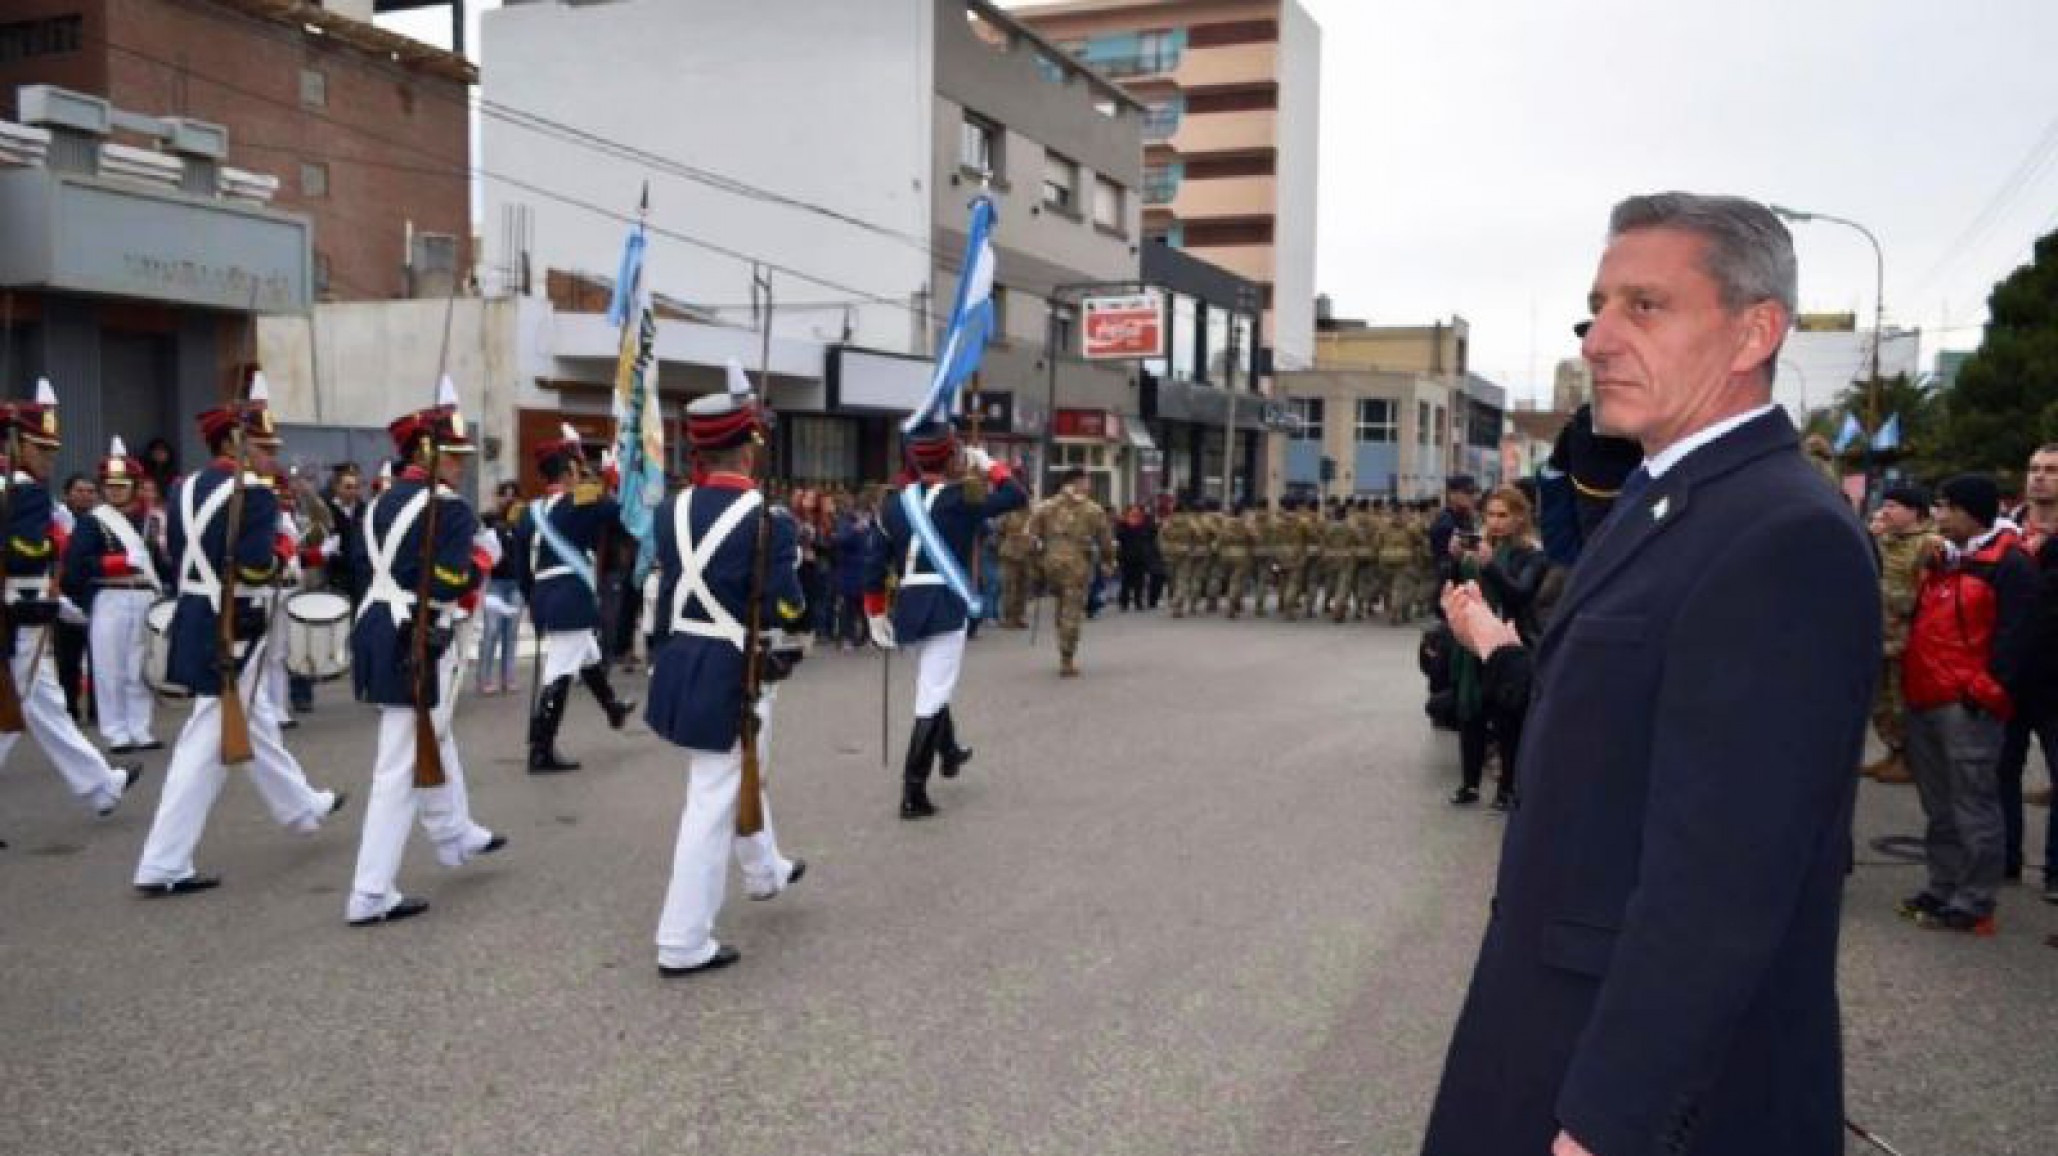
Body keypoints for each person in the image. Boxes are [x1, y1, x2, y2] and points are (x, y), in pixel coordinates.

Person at [1421, 193, 1879, 1156]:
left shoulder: (1781, 534)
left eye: (1646, 306)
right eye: (1598, 307)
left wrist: (1610, 1118)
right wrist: (1506, 656)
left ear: (1755, 331)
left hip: (1636, 1083)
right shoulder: (1669, 496)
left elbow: (1720, 881)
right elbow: (1630, 734)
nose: (1598, 339)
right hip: (1557, 1016)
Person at [133, 373, 346, 896]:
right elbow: (253, 567)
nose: (273, 456)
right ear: (234, 443)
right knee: (205, 743)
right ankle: (163, 861)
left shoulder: (184, 488)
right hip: (233, 621)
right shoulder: (252, 494)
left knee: (250, 723)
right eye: (264, 446)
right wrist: (285, 554)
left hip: (197, 613)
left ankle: (301, 807)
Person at [646, 383, 808, 976]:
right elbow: (789, 610)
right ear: (746, 450)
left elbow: (669, 592)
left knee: (735, 777)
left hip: (683, 659)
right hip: (731, 666)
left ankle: (765, 869)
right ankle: (683, 938)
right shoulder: (768, 520)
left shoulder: (670, 510)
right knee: (709, 801)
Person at [344, 400, 506, 926]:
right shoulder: (449, 509)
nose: (461, 464)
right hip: (416, 631)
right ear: (430, 452)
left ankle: (453, 832)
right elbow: (448, 585)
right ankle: (370, 891)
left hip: (377, 624)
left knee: (433, 734)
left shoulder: (381, 502)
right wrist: (482, 559)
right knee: (399, 764)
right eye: (454, 454)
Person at [864, 421, 1026, 819]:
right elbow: (1016, 495)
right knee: (932, 694)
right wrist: (990, 465)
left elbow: (875, 562)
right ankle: (912, 792)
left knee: (934, 682)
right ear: (953, 456)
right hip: (944, 601)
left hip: (910, 606)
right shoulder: (963, 498)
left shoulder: (893, 503)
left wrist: (875, 611)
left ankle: (949, 750)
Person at [1897, 473, 2037, 933]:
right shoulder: (1943, 560)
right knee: (1940, 805)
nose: (1938, 516)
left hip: (1966, 704)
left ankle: (1975, 898)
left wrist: (1984, 690)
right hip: (1926, 697)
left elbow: (2017, 638)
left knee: (1974, 804)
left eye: (1945, 507)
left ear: (1968, 510)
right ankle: (1943, 885)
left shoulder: (2009, 563)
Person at [0, 386, 143, 826]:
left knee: (46, 707)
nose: (48, 457)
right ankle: (100, 784)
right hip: (23, 611)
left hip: (23, 609)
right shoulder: (27, 492)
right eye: (40, 448)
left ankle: (100, 785)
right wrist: (51, 544)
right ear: (17, 444)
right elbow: (23, 554)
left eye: (51, 449)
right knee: (10, 712)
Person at [513, 427, 635, 773]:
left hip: (546, 597)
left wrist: (535, 604)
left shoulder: (526, 512)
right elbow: (620, 515)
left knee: (588, 657)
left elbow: (523, 569)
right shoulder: (584, 501)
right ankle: (541, 749)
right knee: (560, 673)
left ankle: (613, 708)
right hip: (571, 598)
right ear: (569, 471)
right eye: (579, 469)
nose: (582, 475)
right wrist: (610, 481)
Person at [60, 438, 168, 753]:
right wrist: (117, 563)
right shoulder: (93, 521)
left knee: (140, 665)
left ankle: (140, 727)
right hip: (111, 596)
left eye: (122, 485)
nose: (116, 491)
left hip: (143, 596)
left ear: (134, 486)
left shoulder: (147, 521)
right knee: (110, 666)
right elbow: (77, 566)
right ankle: (115, 730)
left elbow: (158, 565)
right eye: (110, 485)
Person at [1446, 485, 1547, 810]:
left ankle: (1506, 787)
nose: (1495, 522)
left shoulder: (1531, 553)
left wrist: (1491, 566)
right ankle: (1469, 784)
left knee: (1508, 717)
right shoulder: (1478, 549)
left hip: (1508, 643)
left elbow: (1521, 594)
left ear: (1520, 517)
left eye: (1503, 515)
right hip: (1470, 643)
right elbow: (1453, 592)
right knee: (1470, 712)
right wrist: (1454, 562)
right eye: (1490, 514)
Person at [1997, 443, 2058, 899]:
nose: (2039, 477)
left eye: (2051, 470)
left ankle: (2055, 871)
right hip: (2011, 675)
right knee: (2002, 770)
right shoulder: (2005, 533)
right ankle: (2005, 860)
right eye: (2034, 468)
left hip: (2055, 678)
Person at [1863, 484, 1942, 785]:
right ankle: (1893, 752)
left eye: (1894, 505)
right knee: (1882, 702)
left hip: (1906, 638)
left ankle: (1909, 760)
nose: (1885, 510)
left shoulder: (1927, 545)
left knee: (1901, 703)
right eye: (1885, 504)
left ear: (1915, 512)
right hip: (1880, 635)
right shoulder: (1884, 540)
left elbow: (1925, 592)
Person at [1027, 467, 1116, 676]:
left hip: (1051, 563)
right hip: (1076, 565)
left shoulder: (1045, 506)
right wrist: (1108, 562)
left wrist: (1036, 564)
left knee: (1062, 604)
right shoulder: (1092, 509)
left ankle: (1062, 637)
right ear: (1078, 482)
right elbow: (1106, 541)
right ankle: (1067, 657)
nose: (1089, 485)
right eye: (1087, 481)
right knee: (1072, 610)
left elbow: (1029, 537)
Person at [476, 481, 524, 695]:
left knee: (511, 632)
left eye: (513, 495)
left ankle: (508, 677)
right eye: (504, 494)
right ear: (497, 496)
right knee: (491, 630)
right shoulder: (488, 518)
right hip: (494, 582)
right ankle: (484, 678)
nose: (509, 499)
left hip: (516, 582)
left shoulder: (523, 520)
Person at [1115, 503, 1153, 612]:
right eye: (1132, 512)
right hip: (1128, 556)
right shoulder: (1123, 524)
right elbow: (1119, 537)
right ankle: (1126, 602)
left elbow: (1151, 535)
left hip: (1138, 556)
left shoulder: (1144, 523)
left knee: (1138, 581)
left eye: (1136, 512)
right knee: (1127, 581)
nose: (1134, 514)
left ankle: (1136, 602)